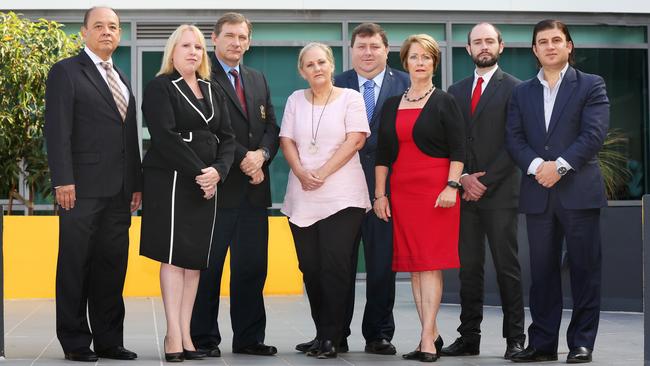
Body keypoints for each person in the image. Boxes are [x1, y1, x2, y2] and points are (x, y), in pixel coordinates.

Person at [295, 22, 406, 356]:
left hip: (388, 189)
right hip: (339, 192)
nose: (367, 52)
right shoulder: (334, 82)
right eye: (361, 46)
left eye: (374, 46)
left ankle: (378, 334)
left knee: (381, 264)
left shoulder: (404, 83)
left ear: (386, 50)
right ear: (351, 50)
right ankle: (333, 333)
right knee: (335, 264)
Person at [505, 19, 609, 363]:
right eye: (542, 41)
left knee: (584, 269)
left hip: (579, 192)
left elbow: (593, 135)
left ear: (569, 46)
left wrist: (558, 167)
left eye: (556, 40)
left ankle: (582, 343)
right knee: (543, 272)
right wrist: (538, 169)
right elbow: (514, 139)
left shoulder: (591, 85)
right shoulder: (521, 92)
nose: (550, 46)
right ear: (534, 50)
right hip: (538, 193)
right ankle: (543, 343)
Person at [44, 6, 142, 362]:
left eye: (113, 27)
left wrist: (135, 182)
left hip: (119, 192)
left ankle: (109, 340)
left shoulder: (121, 76)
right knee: (75, 266)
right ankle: (75, 342)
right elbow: (57, 131)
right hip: (80, 189)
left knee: (112, 266)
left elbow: (127, 134)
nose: (107, 32)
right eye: (98, 26)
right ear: (83, 33)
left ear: (119, 35)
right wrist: (63, 180)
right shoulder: (66, 72)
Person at [139, 24, 235, 362]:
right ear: (172, 51)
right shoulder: (159, 87)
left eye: (197, 46)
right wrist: (201, 174)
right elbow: (164, 137)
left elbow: (227, 138)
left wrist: (218, 173)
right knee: (174, 257)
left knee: (194, 262)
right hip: (172, 179)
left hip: (207, 181)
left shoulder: (213, 89)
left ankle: (187, 335)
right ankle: (173, 336)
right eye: (185, 46)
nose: (193, 52)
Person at [191, 12, 280, 357]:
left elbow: (271, 124)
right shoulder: (201, 76)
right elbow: (208, 130)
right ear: (214, 39)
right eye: (229, 36)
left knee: (252, 268)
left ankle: (249, 338)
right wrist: (246, 158)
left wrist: (263, 155)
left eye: (242, 37)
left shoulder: (257, 78)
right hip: (218, 190)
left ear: (249, 41)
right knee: (209, 269)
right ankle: (203, 338)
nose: (236, 43)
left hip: (255, 192)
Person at [374, 34, 465, 363]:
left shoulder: (444, 100)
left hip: (435, 192)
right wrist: (380, 194)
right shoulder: (391, 104)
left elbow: (459, 148)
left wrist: (452, 186)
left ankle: (427, 340)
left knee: (429, 266)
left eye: (426, 57)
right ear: (405, 62)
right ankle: (432, 333)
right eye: (415, 57)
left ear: (434, 63)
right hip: (402, 192)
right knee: (414, 267)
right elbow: (383, 154)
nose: (421, 62)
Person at [280, 42, 371, 359]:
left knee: (335, 267)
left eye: (321, 62)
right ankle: (322, 333)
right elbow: (286, 140)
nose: (316, 68)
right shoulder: (294, 100)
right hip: (302, 196)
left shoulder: (351, 98)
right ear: (302, 71)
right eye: (310, 64)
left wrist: (320, 172)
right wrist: (302, 172)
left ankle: (334, 337)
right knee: (311, 268)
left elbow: (356, 139)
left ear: (331, 65)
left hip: (343, 196)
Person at [443, 22, 525, 359]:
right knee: (469, 268)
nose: (484, 46)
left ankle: (515, 339)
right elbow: (452, 142)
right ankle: (469, 337)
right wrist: (462, 179)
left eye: (489, 41)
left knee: (507, 267)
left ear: (501, 46)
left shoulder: (517, 89)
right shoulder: (455, 91)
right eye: (477, 42)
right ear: (468, 49)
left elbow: (516, 143)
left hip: (501, 193)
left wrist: (484, 181)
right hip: (465, 194)